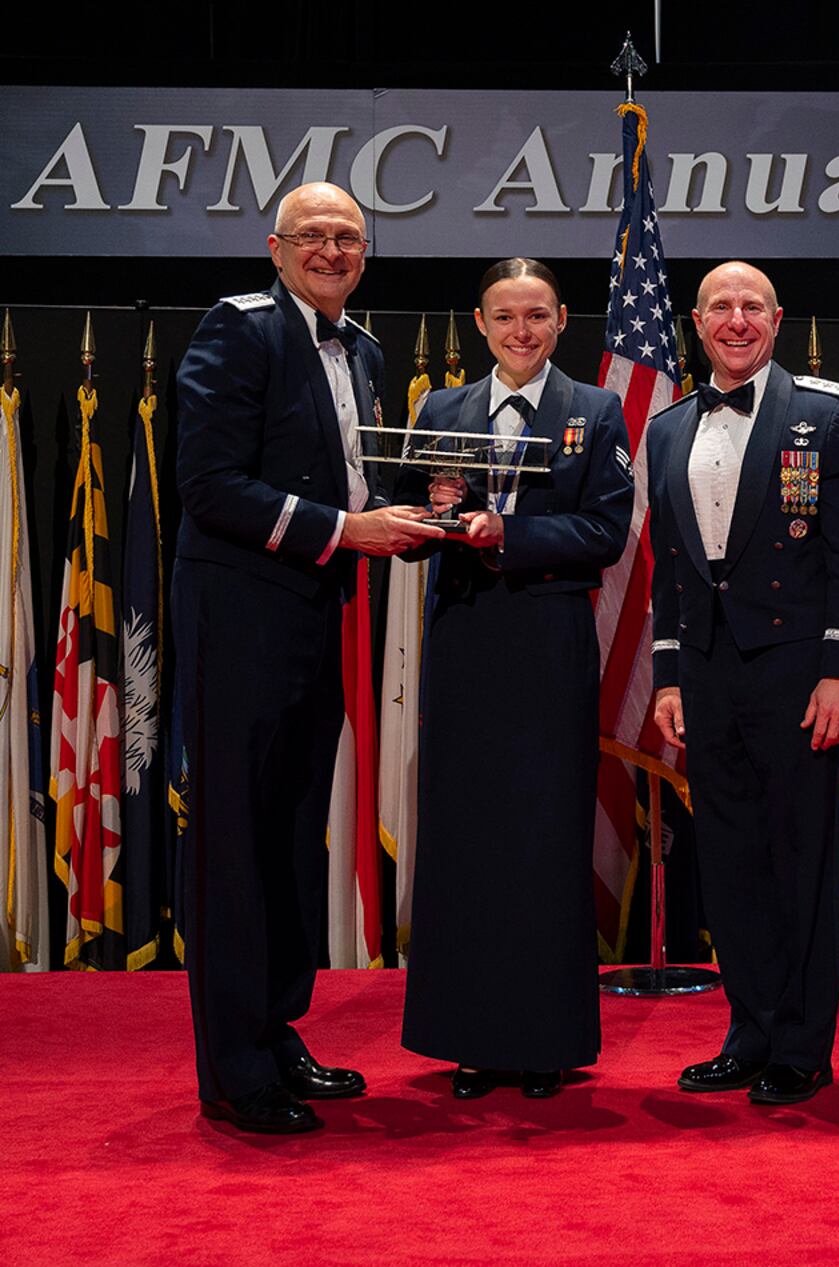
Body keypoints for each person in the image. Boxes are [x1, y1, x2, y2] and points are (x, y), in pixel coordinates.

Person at [173, 181, 444, 1134]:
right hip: (240, 625)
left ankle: (277, 1028)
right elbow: (210, 487)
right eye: (315, 237)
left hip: (315, 621)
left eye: (350, 239)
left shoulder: (363, 349)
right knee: (236, 845)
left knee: (290, 840)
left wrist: (426, 505)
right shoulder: (237, 330)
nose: (333, 251)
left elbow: (356, 477)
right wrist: (348, 529)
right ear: (276, 247)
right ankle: (234, 1066)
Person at [647, 261, 839, 1105]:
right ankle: (747, 1029)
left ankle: (800, 1044)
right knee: (729, 861)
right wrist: (669, 677)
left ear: (777, 318)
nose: (737, 320)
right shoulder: (669, 427)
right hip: (709, 676)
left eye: (753, 306)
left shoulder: (825, 414)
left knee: (799, 858)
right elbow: (669, 570)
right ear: (698, 320)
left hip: (797, 672)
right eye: (722, 307)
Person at [399, 258, 632, 1099]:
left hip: (547, 640)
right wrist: (429, 519)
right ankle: (469, 1038)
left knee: (543, 839)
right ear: (481, 322)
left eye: (537, 316)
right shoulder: (440, 408)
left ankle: (544, 1042)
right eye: (506, 318)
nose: (521, 332)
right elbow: (408, 515)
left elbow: (607, 529)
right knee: (465, 841)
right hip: (464, 640)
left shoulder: (596, 410)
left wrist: (510, 534)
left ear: (562, 319)